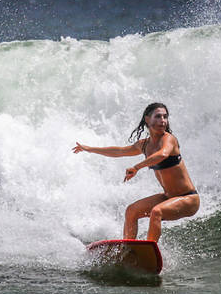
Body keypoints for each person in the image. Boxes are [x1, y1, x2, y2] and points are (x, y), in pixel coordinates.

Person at [73, 102, 199, 242]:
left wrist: (137, 167)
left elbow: (162, 154)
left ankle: (150, 250)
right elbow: (119, 151)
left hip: (188, 199)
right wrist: (89, 149)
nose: (162, 120)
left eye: (165, 117)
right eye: (158, 116)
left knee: (156, 212)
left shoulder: (169, 139)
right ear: (147, 119)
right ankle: (128, 248)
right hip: (169, 197)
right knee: (131, 211)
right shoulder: (144, 145)